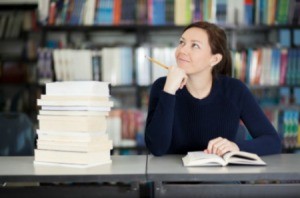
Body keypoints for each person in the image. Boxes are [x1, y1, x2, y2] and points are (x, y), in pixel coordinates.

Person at [145, 21, 281, 157]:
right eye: (182, 42)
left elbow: (272, 141)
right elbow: (156, 148)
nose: (182, 50)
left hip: (222, 176)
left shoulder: (235, 90)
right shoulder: (162, 87)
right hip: (176, 176)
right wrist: (169, 92)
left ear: (214, 59)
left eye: (195, 45)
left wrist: (236, 147)